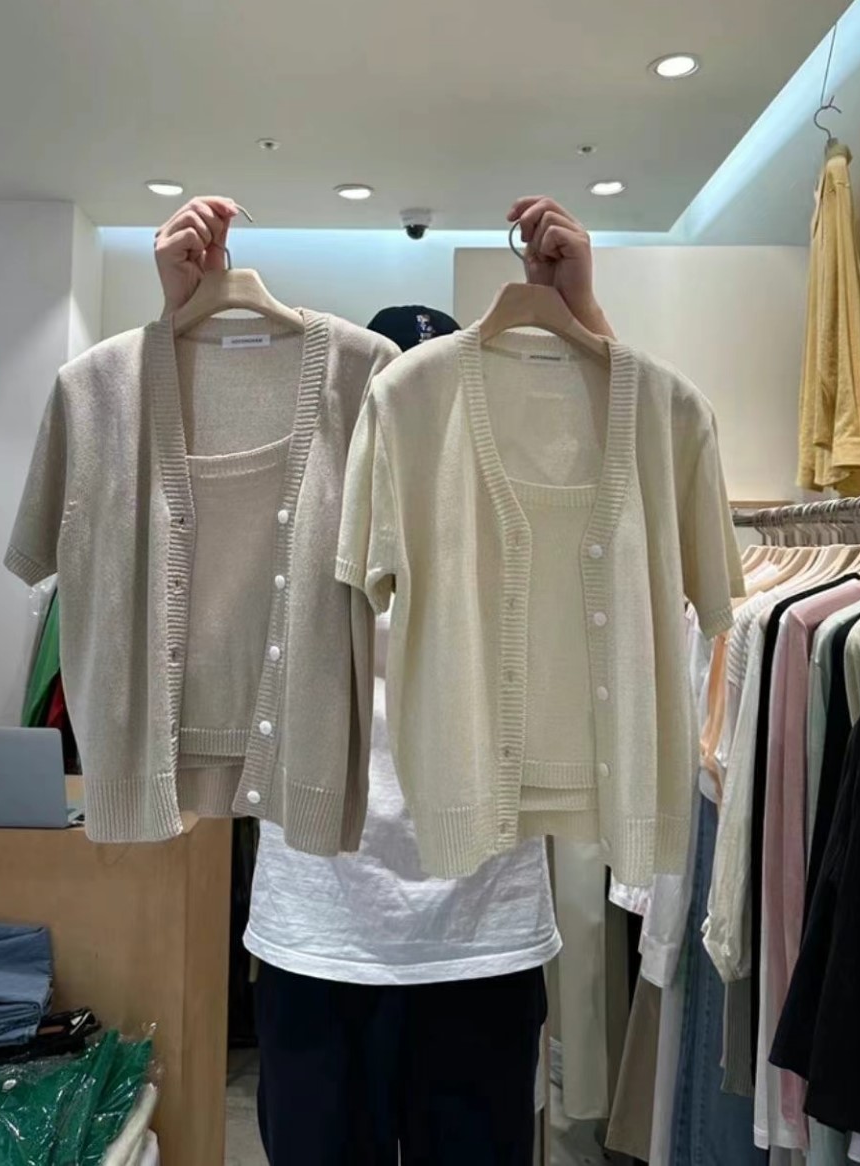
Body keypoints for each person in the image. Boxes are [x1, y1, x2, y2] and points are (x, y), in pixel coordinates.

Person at [154, 195, 614, 1166]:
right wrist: (188, 320)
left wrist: (580, 322)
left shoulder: (522, 524)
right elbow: (178, 500)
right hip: (318, 935)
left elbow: (624, 503)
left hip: (482, 939)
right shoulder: (291, 512)